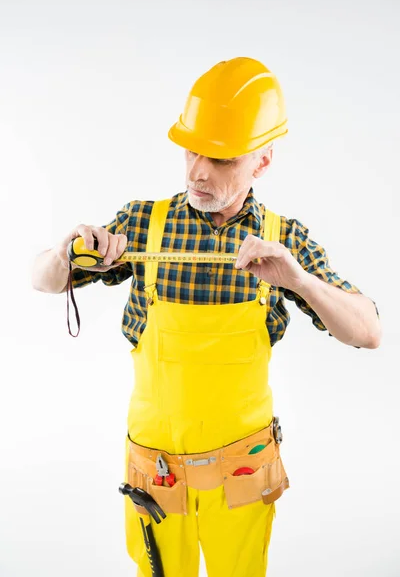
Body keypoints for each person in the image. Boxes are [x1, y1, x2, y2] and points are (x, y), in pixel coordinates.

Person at [32, 57, 381, 577]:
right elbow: (43, 279)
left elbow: (369, 331)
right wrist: (72, 250)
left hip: (241, 473)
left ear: (261, 162)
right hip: (158, 476)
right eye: (193, 149)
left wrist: (300, 282)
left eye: (221, 159)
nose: (198, 170)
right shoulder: (142, 227)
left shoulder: (282, 241)